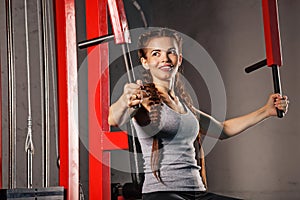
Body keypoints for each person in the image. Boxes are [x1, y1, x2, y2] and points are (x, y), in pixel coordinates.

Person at [108, 28, 289, 200]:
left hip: (197, 192)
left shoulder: (185, 106)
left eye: (170, 52)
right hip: (162, 193)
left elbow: (223, 129)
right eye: (156, 53)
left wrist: (266, 111)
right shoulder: (142, 98)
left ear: (179, 59)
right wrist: (125, 99)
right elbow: (114, 118)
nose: (165, 58)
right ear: (145, 62)